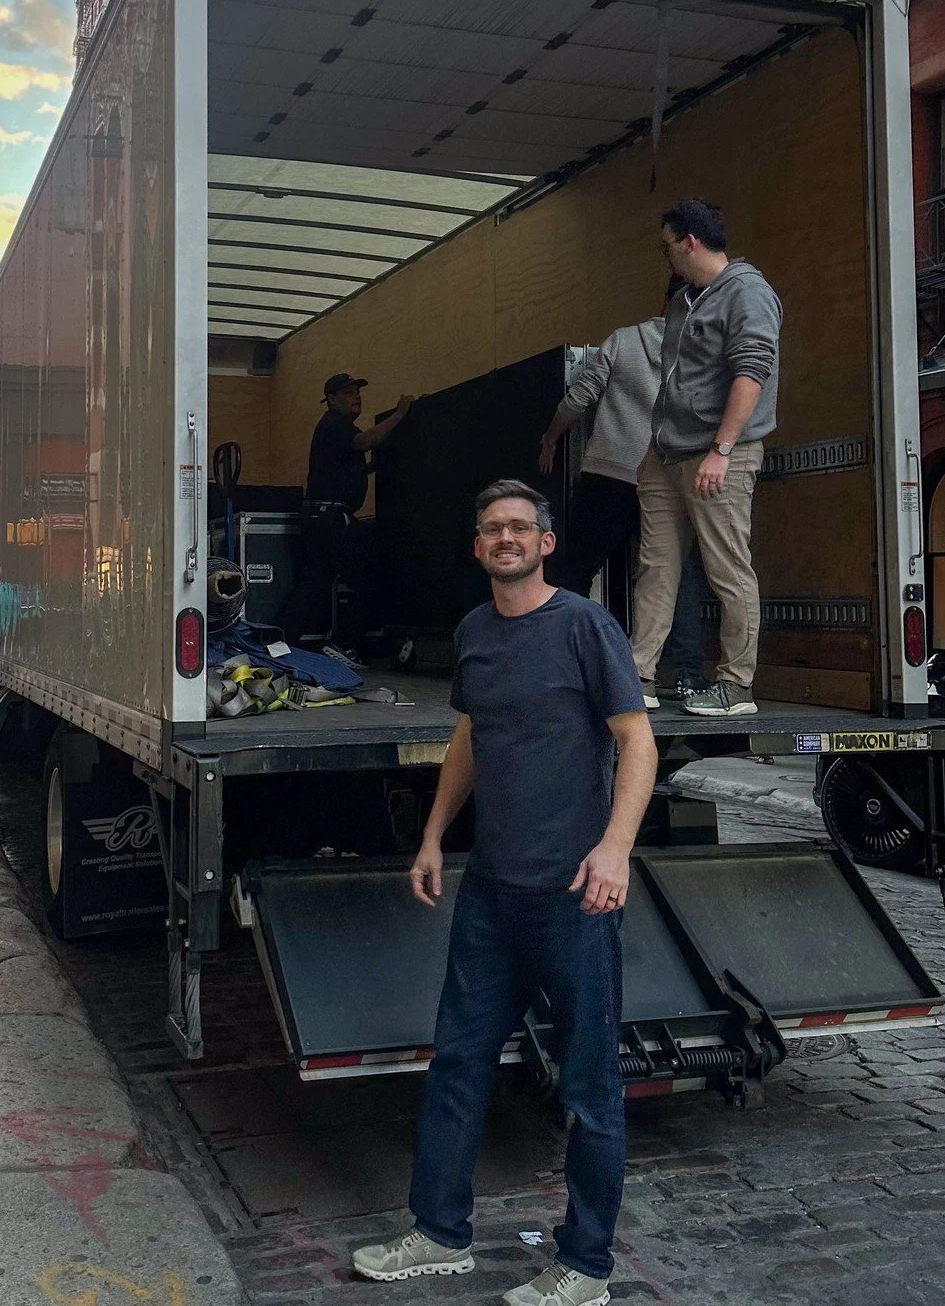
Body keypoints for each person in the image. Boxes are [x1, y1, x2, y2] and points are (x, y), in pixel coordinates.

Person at [353, 481, 656, 1306]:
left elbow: (637, 741)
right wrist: (432, 835)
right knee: (458, 1062)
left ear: (546, 543)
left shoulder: (585, 626)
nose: (507, 538)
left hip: (573, 894)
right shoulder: (475, 633)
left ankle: (586, 1267)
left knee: (589, 1088)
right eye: (493, 529)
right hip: (491, 890)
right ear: (478, 547)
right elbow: (470, 737)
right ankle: (439, 1233)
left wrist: (616, 850)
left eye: (521, 527)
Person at [631, 199, 783, 720]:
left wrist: (721, 449)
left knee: (727, 567)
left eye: (668, 246)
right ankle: (638, 676)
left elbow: (753, 371)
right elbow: (675, 380)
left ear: (690, 242)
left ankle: (737, 685)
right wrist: (653, 448)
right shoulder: (684, 299)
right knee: (656, 567)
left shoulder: (748, 293)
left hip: (719, 453)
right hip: (668, 453)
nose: (666, 256)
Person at [538, 280, 707, 702]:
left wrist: (551, 437)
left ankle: (560, 661)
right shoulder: (702, 350)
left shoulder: (625, 340)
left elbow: (579, 398)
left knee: (575, 570)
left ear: (665, 300)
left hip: (609, 473)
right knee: (674, 577)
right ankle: (688, 675)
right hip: (667, 478)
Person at [277, 372, 413, 646]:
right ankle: (342, 644)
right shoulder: (335, 424)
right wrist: (399, 414)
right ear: (331, 399)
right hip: (331, 517)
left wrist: (371, 467)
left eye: (358, 392)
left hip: (320, 516)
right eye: (349, 393)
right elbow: (364, 442)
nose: (356, 397)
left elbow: (341, 469)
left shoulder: (334, 428)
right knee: (370, 576)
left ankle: (277, 642)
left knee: (316, 584)